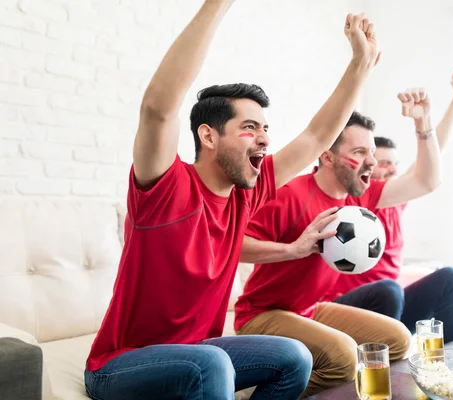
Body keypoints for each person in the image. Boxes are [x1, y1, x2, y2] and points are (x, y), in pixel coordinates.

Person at [84, 0, 382, 398]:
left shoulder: (247, 194)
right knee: (212, 361)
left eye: (264, 128)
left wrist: (360, 65)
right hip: (120, 365)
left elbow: (315, 137)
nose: (264, 138)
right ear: (208, 136)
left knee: (295, 356)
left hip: (197, 353)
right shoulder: (165, 189)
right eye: (249, 128)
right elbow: (157, 109)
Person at [234, 87, 442, 396]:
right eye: (359, 153)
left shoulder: (361, 197)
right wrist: (293, 249)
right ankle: (254, 395)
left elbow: (427, 181)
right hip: (261, 314)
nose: (370, 161)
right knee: (343, 356)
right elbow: (234, 247)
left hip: (310, 308)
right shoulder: (289, 195)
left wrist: (423, 124)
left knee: (398, 338)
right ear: (327, 157)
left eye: (371, 152)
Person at [324, 71, 453, 343]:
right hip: (352, 308)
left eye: (395, 163)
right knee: (389, 290)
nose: (391, 169)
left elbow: (431, 158)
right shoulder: (352, 199)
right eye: (382, 162)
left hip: (392, 308)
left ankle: (450, 366)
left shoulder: (396, 200)